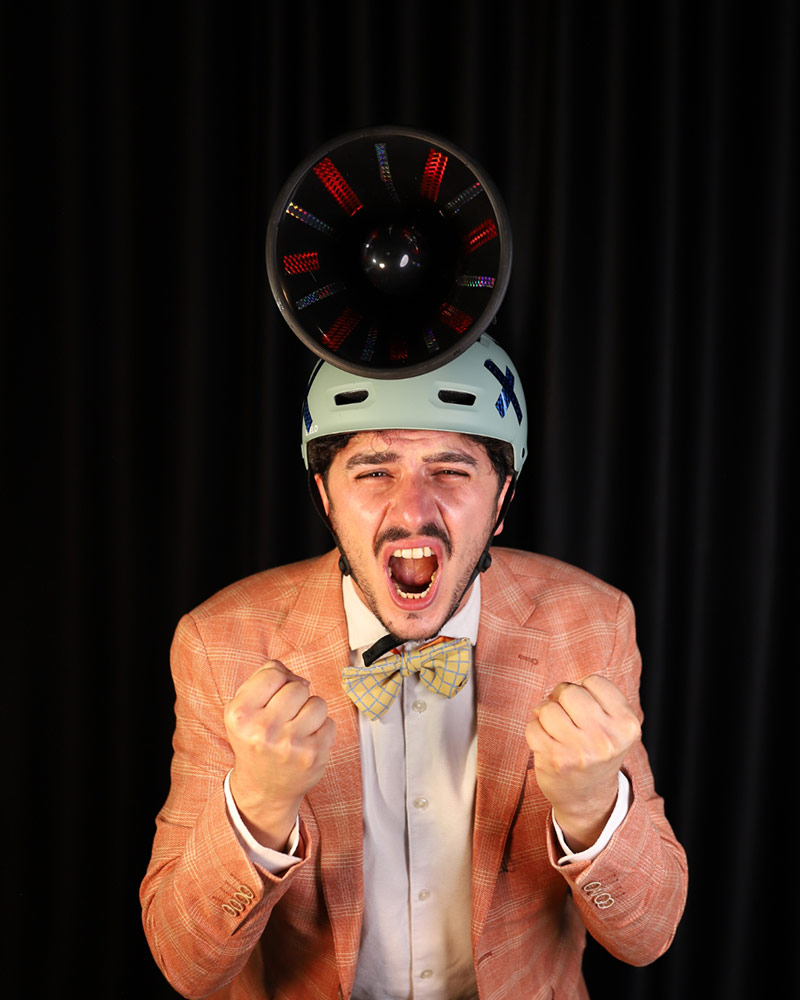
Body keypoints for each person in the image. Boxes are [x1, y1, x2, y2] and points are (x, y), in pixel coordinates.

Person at [141, 334, 687, 1000]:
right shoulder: (221, 641)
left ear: (502, 498)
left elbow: (647, 937)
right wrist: (258, 804)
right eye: (374, 471)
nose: (411, 511)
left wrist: (592, 807)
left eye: (450, 470)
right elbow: (187, 966)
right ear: (324, 495)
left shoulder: (591, 623)